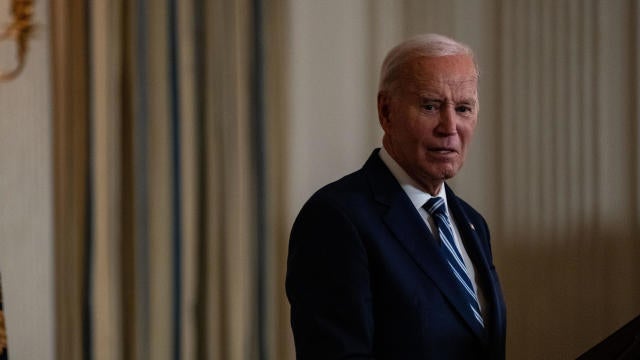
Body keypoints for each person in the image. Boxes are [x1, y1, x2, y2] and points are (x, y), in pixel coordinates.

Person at [285, 33, 506, 359]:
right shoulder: (335, 219)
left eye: (463, 108)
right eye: (430, 106)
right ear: (386, 112)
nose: (450, 126)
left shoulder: (473, 224)